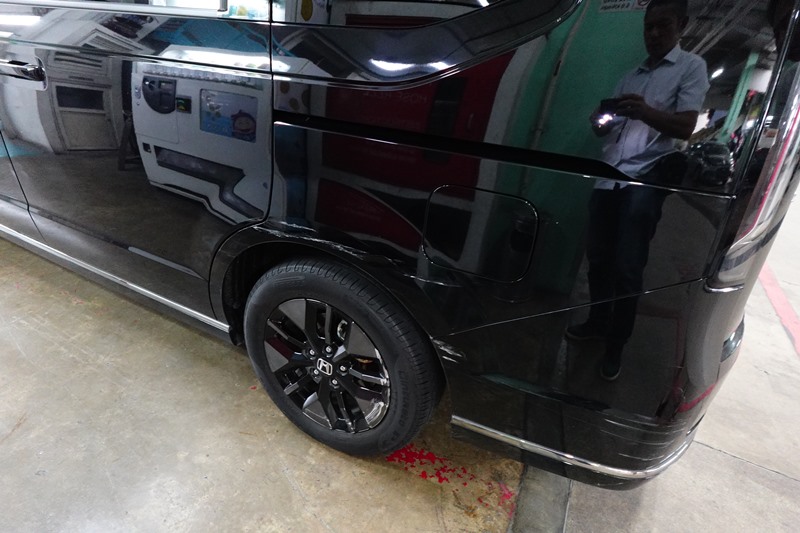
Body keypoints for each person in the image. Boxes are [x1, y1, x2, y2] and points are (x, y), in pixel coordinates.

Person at [567, 0, 710, 381]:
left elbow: (685, 126)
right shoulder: (629, 76)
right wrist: (600, 122)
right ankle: (598, 322)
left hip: (645, 177)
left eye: (664, 25)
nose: (654, 33)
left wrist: (645, 111)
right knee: (598, 259)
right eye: (649, 27)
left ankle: (616, 345)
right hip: (608, 175)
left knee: (628, 267)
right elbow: (606, 126)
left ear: (681, 25)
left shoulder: (691, 67)